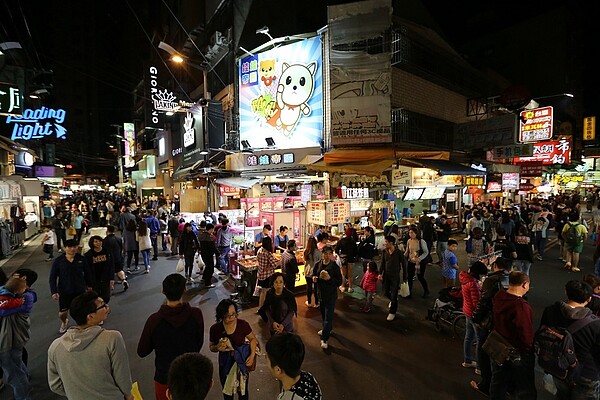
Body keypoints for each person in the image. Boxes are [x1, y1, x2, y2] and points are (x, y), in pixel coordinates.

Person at [47, 291, 134, 399]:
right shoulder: (112, 339)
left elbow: (55, 385)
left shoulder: (55, 347)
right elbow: (122, 377)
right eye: (102, 305)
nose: (107, 307)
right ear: (91, 316)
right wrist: (128, 395)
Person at [138, 274, 205, 400]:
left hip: (165, 378)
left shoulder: (154, 320)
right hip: (191, 375)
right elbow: (199, 343)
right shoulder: (196, 314)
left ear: (163, 291)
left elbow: (142, 351)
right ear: (185, 289)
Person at [539, 280, 600, 398]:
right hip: (586, 372)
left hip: (559, 366)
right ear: (589, 299)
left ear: (566, 292)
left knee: (562, 394)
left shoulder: (550, 311)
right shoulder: (595, 324)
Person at [489, 271, 536, 400]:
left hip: (498, 345)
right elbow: (525, 334)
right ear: (525, 284)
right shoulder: (521, 307)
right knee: (524, 386)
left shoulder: (499, 295)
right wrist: (527, 351)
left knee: (498, 381)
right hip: (515, 350)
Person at [470, 257, 511, 396]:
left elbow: (484, 301)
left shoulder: (491, 280)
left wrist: (475, 318)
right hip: (505, 323)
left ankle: (486, 383)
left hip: (489, 322)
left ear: (495, 266)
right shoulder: (513, 279)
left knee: (484, 350)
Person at [209, 299, 258, 400]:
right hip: (225, 364)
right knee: (227, 392)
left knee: (243, 392)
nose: (232, 318)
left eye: (234, 314)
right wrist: (218, 347)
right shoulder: (215, 329)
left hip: (241, 362)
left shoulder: (243, 324)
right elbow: (211, 347)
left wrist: (252, 356)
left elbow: (253, 339)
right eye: (228, 315)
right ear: (221, 315)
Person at [49, 239, 93, 334]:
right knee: (63, 313)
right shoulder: (58, 261)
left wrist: (89, 285)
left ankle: (82, 325)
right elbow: (52, 277)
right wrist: (54, 291)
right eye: (69, 247)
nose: (72, 249)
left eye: (74, 247)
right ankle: (64, 322)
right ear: (65, 248)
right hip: (65, 290)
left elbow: (88, 273)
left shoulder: (81, 259)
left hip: (80, 289)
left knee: (81, 309)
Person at [0, 277, 33, 400]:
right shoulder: (23, 298)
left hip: (6, 343)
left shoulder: (23, 300)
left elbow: (5, 311)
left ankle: (23, 397)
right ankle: (26, 383)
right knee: (17, 364)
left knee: (14, 374)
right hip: (13, 341)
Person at [265, 333, 322, 400]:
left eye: (267, 359)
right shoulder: (308, 377)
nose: (266, 364)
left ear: (278, 370)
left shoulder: (285, 398)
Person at [459, 261, 488, 371]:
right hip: (474, 315)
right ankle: (479, 367)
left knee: (468, 337)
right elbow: (477, 303)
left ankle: (467, 360)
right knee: (480, 340)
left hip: (467, 311)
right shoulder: (473, 284)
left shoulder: (465, 278)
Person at [312, 246, 342, 349]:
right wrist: (314, 278)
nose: (327, 256)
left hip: (331, 295)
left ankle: (324, 339)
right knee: (324, 315)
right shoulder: (318, 265)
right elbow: (314, 274)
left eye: (329, 254)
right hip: (321, 294)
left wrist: (329, 279)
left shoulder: (334, 266)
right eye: (325, 253)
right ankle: (328, 329)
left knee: (328, 317)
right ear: (322, 253)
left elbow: (339, 282)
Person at [380, 235, 407, 320]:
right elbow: (382, 263)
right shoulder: (385, 252)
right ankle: (393, 300)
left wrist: (405, 277)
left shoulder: (398, 253)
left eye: (386, 242)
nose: (385, 243)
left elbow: (404, 265)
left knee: (394, 293)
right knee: (385, 292)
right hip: (386, 275)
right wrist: (380, 273)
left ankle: (392, 312)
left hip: (395, 276)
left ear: (391, 243)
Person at [84, 235, 115, 304]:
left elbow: (111, 265)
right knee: (96, 296)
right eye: (96, 241)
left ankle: (104, 307)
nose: (98, 243)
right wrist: (88, 283)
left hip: (105, 278)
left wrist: (112, 278)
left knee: (106, 296)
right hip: (95, 279)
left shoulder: (108, 251)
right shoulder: (88, 255)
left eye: (100, 241)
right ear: (92, 243)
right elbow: (87, 270)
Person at [404, 226, 430, 298]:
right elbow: (407, 251)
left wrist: (419, 258)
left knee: (420, 276)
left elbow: (426, 252)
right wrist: (403, 258)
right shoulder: (409, 241)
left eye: (412, 233)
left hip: (419, 263)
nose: (410, 234)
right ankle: (409, 292)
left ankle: (426, 290)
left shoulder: (421, 241)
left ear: (416, 233)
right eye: (409, 233)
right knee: (409, 277)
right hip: (411, 261)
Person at [104, 225, 129, 291]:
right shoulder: (118, 239)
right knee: (119, 270)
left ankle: (111, 286)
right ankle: (124, 281)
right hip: (118, 257)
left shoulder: (105, 240)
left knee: (110, 272)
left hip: (109, 258)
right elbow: (121, 248)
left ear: (107, 231)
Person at [257, 237, 279, 309]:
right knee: (267, 291)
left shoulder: (260, 250)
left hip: (260, 274)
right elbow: (275, 264)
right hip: (268, 276)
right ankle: (267, 307)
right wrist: (281, 261)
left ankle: (261, 307)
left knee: (263, 292)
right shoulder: (268, 253)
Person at [335, 228, 358, 293]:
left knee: (343, 273)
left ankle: (343, 286)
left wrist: (340, 255)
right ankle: (350, 288)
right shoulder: (353, 241)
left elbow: (337, 250)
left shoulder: (342, 240)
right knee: (350, 274)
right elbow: (356, 252)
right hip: (351, 259)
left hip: (343, 259)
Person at [199, 223, 221, 288]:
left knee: (207, 266)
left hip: (203, 253)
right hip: (208, 254)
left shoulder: (202, 235)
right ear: (211, 229)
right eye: (213, 229)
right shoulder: (209, 237)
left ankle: (204, 278)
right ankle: (208, 283)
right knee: (210, 268)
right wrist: (218, 253)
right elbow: (213, 247)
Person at [303, 236, 320, 308]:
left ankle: (309, 302)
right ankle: (316, 303)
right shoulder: (318, 252)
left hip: (307, 271)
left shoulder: (306, 251)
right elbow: (320, 263)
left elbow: (305, 261)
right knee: (316, 288)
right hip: (315, 272)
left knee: (309, 287)